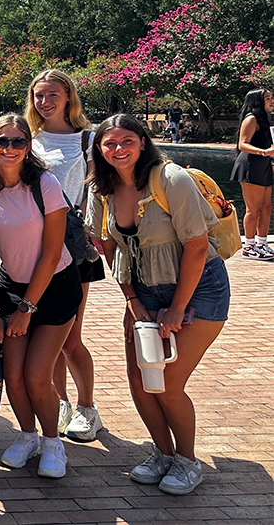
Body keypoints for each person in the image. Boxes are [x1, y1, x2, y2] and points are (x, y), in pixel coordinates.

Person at [84, 114, 229, 495]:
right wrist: (131, 298)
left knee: (166, 383)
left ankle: (187, 460)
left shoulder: (171, 179)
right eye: (109, 143)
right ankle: (162, 453)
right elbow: (109, 246)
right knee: (139, 380)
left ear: (143, 142)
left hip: (199, 288)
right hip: (144, 289)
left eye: (127, 140)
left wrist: (179, 308)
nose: (118, 149)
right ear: (99, 148)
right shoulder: (102, 187)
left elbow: (198, 246)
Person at [0, 114, 81, 479]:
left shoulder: (45, 184)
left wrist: (26, 310)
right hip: (11, 289)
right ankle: (28, 435)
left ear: (28, 146)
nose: (10, 149)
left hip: (54, 287)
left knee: (36, 376)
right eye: (2, 141)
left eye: (19, 142)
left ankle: (53, 442)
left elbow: (51, 254)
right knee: (13, 377)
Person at [26, 69, 106, 442]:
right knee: (47, 337)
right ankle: (60, 402)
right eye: (39, 96)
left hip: (72, 245)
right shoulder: (25, 137)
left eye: (52, 95)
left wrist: (95, 235)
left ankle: (88, 407)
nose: (45, 102)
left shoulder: (87, 139)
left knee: (70, 337)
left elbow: (95, 191)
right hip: (32, 245)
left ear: (68, 97)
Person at [229, 88, 274, 260]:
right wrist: (264, 152)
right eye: (267, 98)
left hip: (263, 165)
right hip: (250, 165)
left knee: (266, 207)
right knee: (253, 209)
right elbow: (242, 144)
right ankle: (248, 247)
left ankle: (261, 243)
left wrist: (268, 159)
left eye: (271, 97)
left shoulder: (265, 119)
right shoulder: (251, 119)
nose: (271, 101)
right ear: (257, 101)